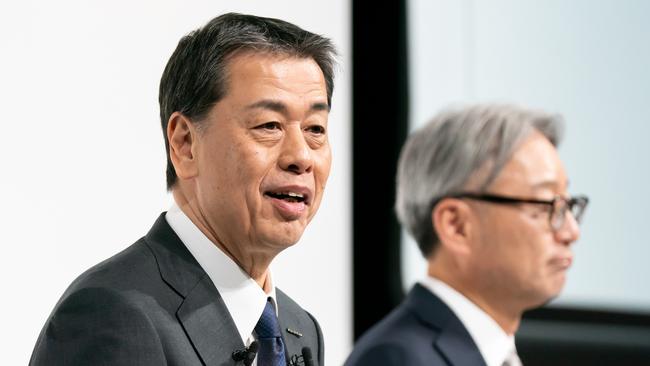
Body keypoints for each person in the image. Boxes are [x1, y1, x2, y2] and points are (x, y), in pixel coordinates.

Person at [30, 13, 336, 366]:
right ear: (185, 143)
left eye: (316, 128)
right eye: (269, 125)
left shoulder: (300, 329)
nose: (301, 156)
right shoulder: (112, 316)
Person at [345, 104, 588, 366]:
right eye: (545, 204)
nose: (571, 232)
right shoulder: (398, 359)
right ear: (456, 226)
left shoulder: (494, 353)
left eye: (568, 205)